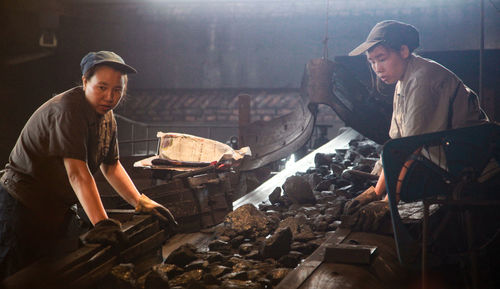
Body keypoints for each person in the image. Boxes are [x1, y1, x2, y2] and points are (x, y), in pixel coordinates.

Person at [0, 51, 177, 280]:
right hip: (21, 207)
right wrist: (102, 224)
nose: (110, 97)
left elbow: (111, 167)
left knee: (50, 276)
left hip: (55, 210)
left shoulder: (107, 117)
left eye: (117, 90)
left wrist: (140, 202)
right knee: (16, 276)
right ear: (85, 82)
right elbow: (77, 174)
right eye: (102, 87)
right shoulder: (68, 110)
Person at [343, 20, 488, 226]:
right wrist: (375, 192)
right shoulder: (404, 80)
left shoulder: (422, 79)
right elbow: (395, 145)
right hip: (447, 160)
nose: (377, 68)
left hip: (471, 166)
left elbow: (411, 148)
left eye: (381, 59)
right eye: (372, 62)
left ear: (403, 51)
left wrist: (388, 203)